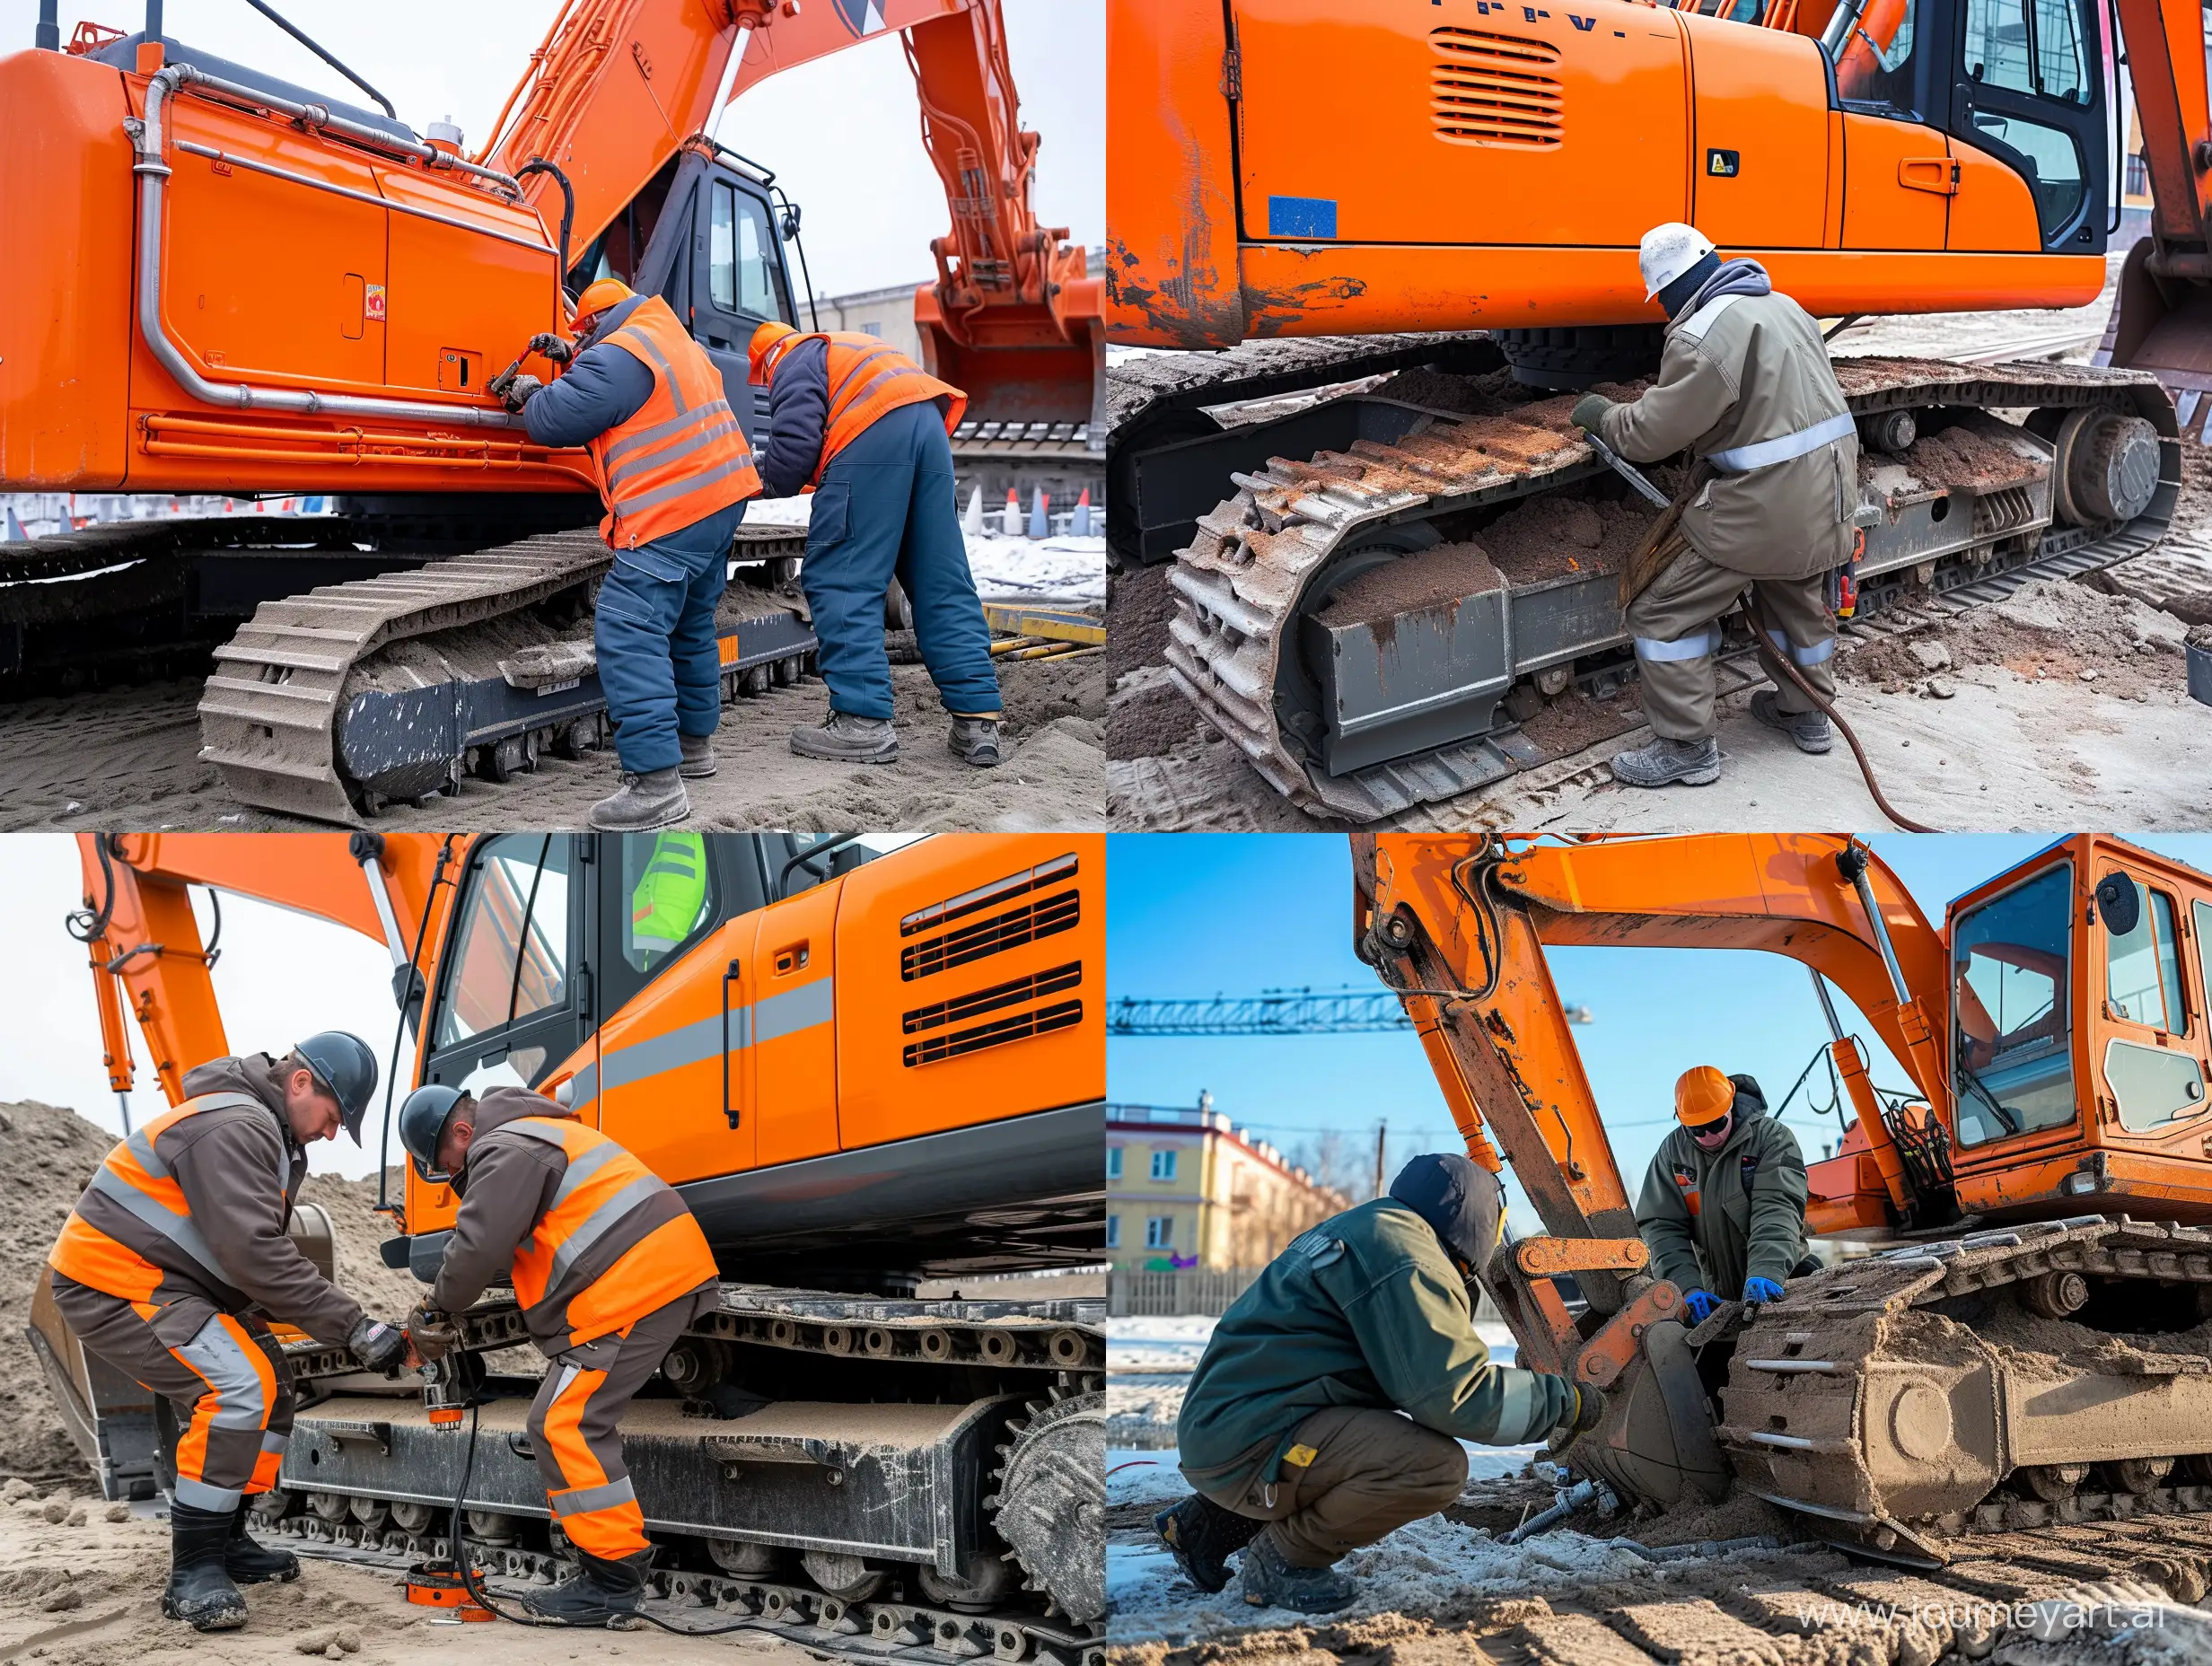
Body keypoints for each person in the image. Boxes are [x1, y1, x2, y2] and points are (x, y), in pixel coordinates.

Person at [46, 1034, 403, 1633]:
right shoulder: (237, 1126)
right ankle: (193, 1571)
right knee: (235, 1388)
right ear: (299, 1083)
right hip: (115, 1281)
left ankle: (230, 1535)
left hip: (174, 1284)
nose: (331, 1133)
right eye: (334, 1117)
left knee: (274, 1386)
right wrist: (355, 1327)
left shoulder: (265, 1131)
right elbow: (255, 1254)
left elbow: (242, 1252)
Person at [1158, 1154, 1598, 1614]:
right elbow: (1458, 1396)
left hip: (1225, 1431)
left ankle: (1203, 1526)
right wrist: (1568, 1404)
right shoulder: (1409, 1259)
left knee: (1366, 1435)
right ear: (1478, 1223)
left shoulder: (1367, 1229)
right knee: (1433, 1466)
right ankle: (1285, 1560)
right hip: (1252, 1444)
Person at [395, 1081, 721, 1627]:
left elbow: (478, 1243)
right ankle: (601, 1570)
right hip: (644, 1274)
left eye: (448, 1167)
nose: (455, 1181)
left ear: (461, 1131)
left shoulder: (503, 1146)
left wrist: (437, 1307)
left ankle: (612, 1581)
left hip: (634, 1284)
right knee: (557, 1421)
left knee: (564, 1423)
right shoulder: (544, 1132)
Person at [1572, 222, 1860, 788]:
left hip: (1763, 508)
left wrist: (1602, 416)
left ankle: (1686, 747)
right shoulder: (1786, 306)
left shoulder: (1700, 336)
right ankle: (1807, 716)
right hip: (1830, 498)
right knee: (1796, 600)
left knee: (1659, 612)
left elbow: (1651, 436)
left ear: (1669, 290)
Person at [503, 278, 762, 833]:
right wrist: (573, 359)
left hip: (673, 510)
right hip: (721, 500)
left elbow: (555, 420)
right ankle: (694, 749)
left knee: (628, 627)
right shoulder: (666, 339)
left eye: (584, 334)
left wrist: (531, 394)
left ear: (597, 323)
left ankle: (656, 786)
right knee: (689, 625)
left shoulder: (619, 357)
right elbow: (615, 385)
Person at [748, 321, 1005, 767]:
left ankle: (862, 723)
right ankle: (977, 722)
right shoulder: (850, 349)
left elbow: (793, 451)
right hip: (925, 427)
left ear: (767, 359)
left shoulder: (793, 356)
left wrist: (752, 476)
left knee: (841, 577)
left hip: (872, 432)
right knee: (940, 581)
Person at [1633, 1066, 1815, 1337]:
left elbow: (1777, 1208)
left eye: (1716, 1124)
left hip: (1782, 1280)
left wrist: (1767, 1269)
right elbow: (1663, 1228)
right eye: (1697, 1129)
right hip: (1718, 1299)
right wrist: (1687, 1289)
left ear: (1731, 1105)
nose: (1709, 1135)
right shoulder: (1673, 1154)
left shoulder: (1771, 1138)